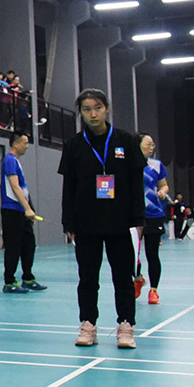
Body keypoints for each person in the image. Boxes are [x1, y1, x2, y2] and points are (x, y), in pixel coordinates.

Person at [59, 89, 146, 349]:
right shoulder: (73, 145)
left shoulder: (126, 141)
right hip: (86, 224)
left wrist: (139, 220)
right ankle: (88, 325)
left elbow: (136, 184)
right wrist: (68, 223)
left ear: (106, 109)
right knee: (87, 279)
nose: (93, 114)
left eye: (97, 108)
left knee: (123, 278)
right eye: (87, 109)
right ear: (81, 113)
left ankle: (126, 325)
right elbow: (68, 188)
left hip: (121, 222)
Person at [1, 131, 46, 294]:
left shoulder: (16, 161)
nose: (27, 146)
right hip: (12, 210)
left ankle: (28, 278)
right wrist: (27, 208)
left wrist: (29, 208)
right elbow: (14, 186)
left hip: (21, 211)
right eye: (25, 143)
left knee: (29, 245)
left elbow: (23, 188)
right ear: (16, 144)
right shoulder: (9, 160)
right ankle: (9, 282)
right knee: (13, 247)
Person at [134, 133, 168, 305]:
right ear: (138, 145)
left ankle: (153, 290)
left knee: (152, 254)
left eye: (153, 144)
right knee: (132, 254)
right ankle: (138, 278)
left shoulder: (156, 165)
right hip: (133, 215)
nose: (152, 147)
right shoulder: (128, 164)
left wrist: (163, 191)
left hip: (154, 214)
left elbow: (164, 184)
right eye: (148, 144)